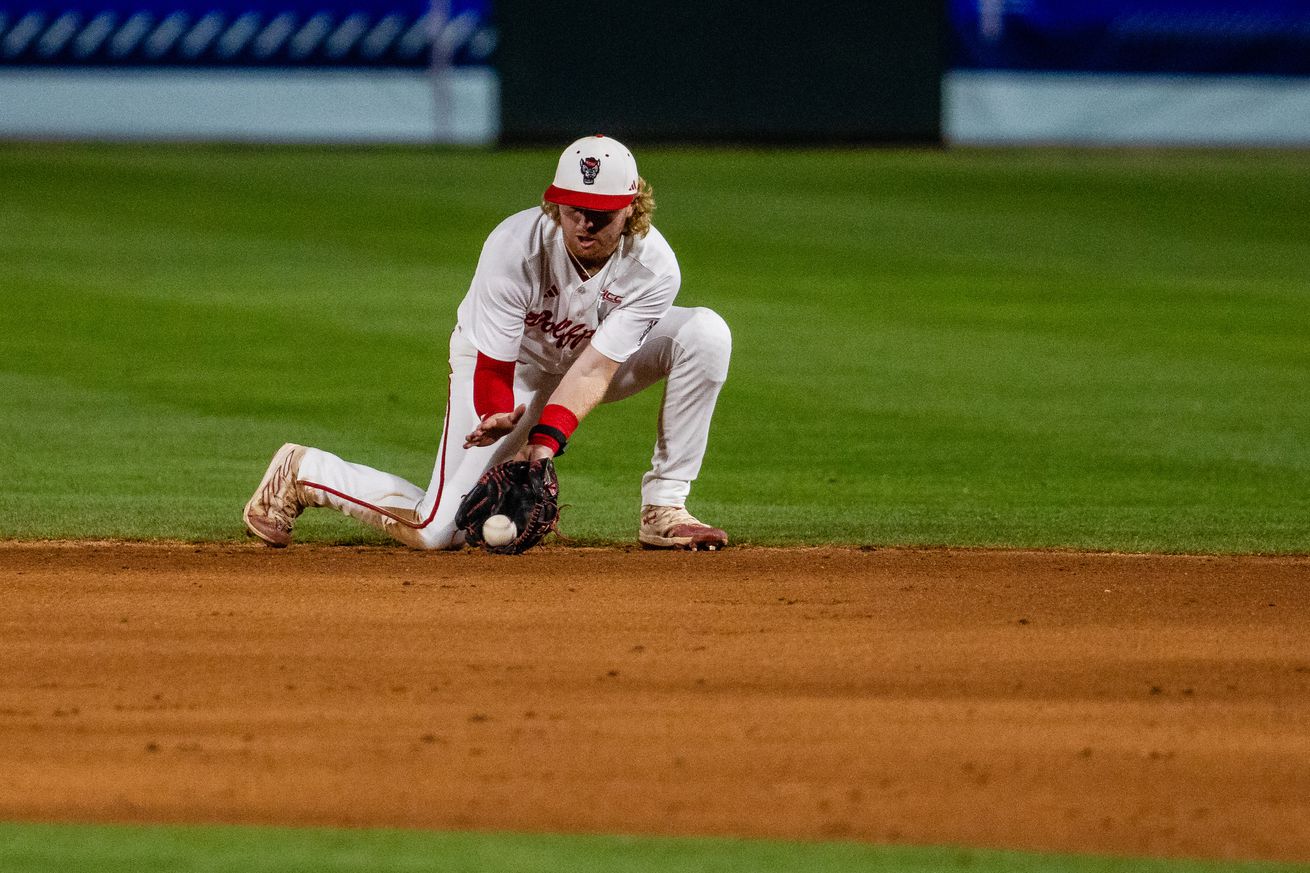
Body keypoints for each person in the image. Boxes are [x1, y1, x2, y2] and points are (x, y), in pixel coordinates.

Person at [243, 134, 731, 551]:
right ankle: (304, 471)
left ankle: (665, 507)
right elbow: (494, 368)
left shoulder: (654, 268)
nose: (584, 222)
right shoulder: (515, 246)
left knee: (704, 333)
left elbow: (593, 370)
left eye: (600, 213)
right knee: (437, 530)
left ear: (631, 210)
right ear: (555, 202)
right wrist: (500, 416)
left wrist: (543, 444)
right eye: (574, 208)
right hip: (507, 371)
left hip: (587, 362)